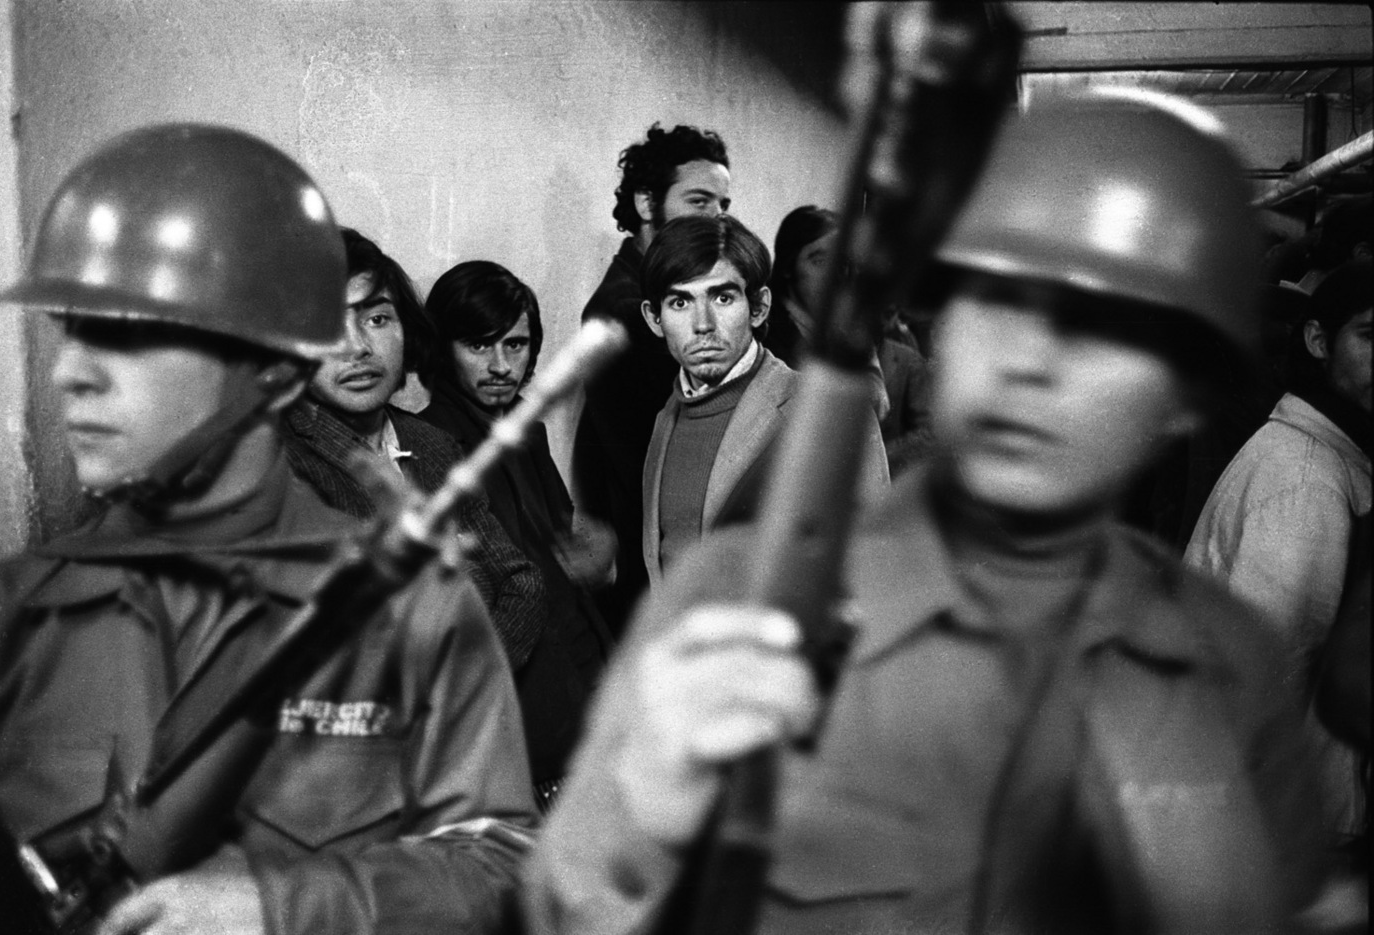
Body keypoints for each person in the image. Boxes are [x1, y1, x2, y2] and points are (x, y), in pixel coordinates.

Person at [528, 91, 1329, 934]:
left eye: (1101, 328)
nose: (1028, 361)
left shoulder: (1223, 668)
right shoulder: (733, 611)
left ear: (1188, 396)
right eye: (996, 301)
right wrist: (644, 828)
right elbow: (569, 904)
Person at [0, 125, 535, 935]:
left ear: (273, 363)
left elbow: (499, 864)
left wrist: (280, 907)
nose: (72, 372)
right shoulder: (7, 616)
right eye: (72, 329)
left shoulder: (413, 605)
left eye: (130, 332)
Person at [281, 227, 548, 670]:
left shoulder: (431, 442)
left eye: (377, 319)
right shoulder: (283, 463)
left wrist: (468, 682)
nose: (359, 348)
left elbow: (523, 581)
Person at [1186, 256, 1371, 843]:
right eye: (1371, 337)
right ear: (1319, 340)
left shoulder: (1320, 457)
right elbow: (1270, 672)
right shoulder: (1307, 484)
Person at [417, 259, 615, 809]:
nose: (502, 364)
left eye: (516, 344)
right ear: (442, 348)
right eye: (479, 346)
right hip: (525, 719)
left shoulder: (525, 430)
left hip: (578, 691)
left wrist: (595, 559)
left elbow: (561, 565)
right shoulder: (434, 445)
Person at [637, 212, 889, 582]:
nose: (702, 323)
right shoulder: (665, 420)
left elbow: (871, 565)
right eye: (680, 303)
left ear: (758, 307)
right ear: (653, 318)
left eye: (722, 297)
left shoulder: (829, 412)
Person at [571, 123, 731, 635]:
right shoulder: (625, 311)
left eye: (722, 206)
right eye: (700, 201)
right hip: (655, 574)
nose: (717, 219)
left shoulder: (664, 294)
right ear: (646, 204)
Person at [766, 204, 931, 471]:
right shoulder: (767, 340)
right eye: (819, 261)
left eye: (843, 264)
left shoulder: (856, 336)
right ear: (788, 267)